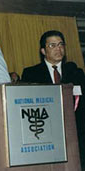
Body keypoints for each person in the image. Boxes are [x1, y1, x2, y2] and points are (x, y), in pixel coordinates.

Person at [21, 30, 85, 170]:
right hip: (45, 135)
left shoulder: (76, 72)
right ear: (43, 50)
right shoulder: (31, 74)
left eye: (61, 44)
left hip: (76, 135)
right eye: (53, 45)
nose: (58, 48)